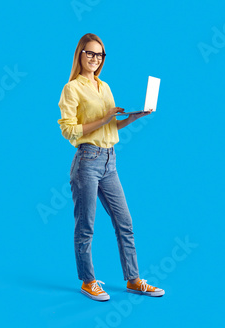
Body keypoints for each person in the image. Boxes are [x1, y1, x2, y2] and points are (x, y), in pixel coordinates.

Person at [58, 33, 164, 301]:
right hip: (87, 161)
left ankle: (133, 279)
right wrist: (105, 116)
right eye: (90, 53)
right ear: (80, 54)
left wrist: (132, 119)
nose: (95, 59)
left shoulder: (104, 87)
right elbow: (71, 131)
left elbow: (109, 125)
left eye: (99, 55)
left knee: (125, 222)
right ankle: (88, 281)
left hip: (110, 161)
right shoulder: (72, 88)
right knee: (86, 225)